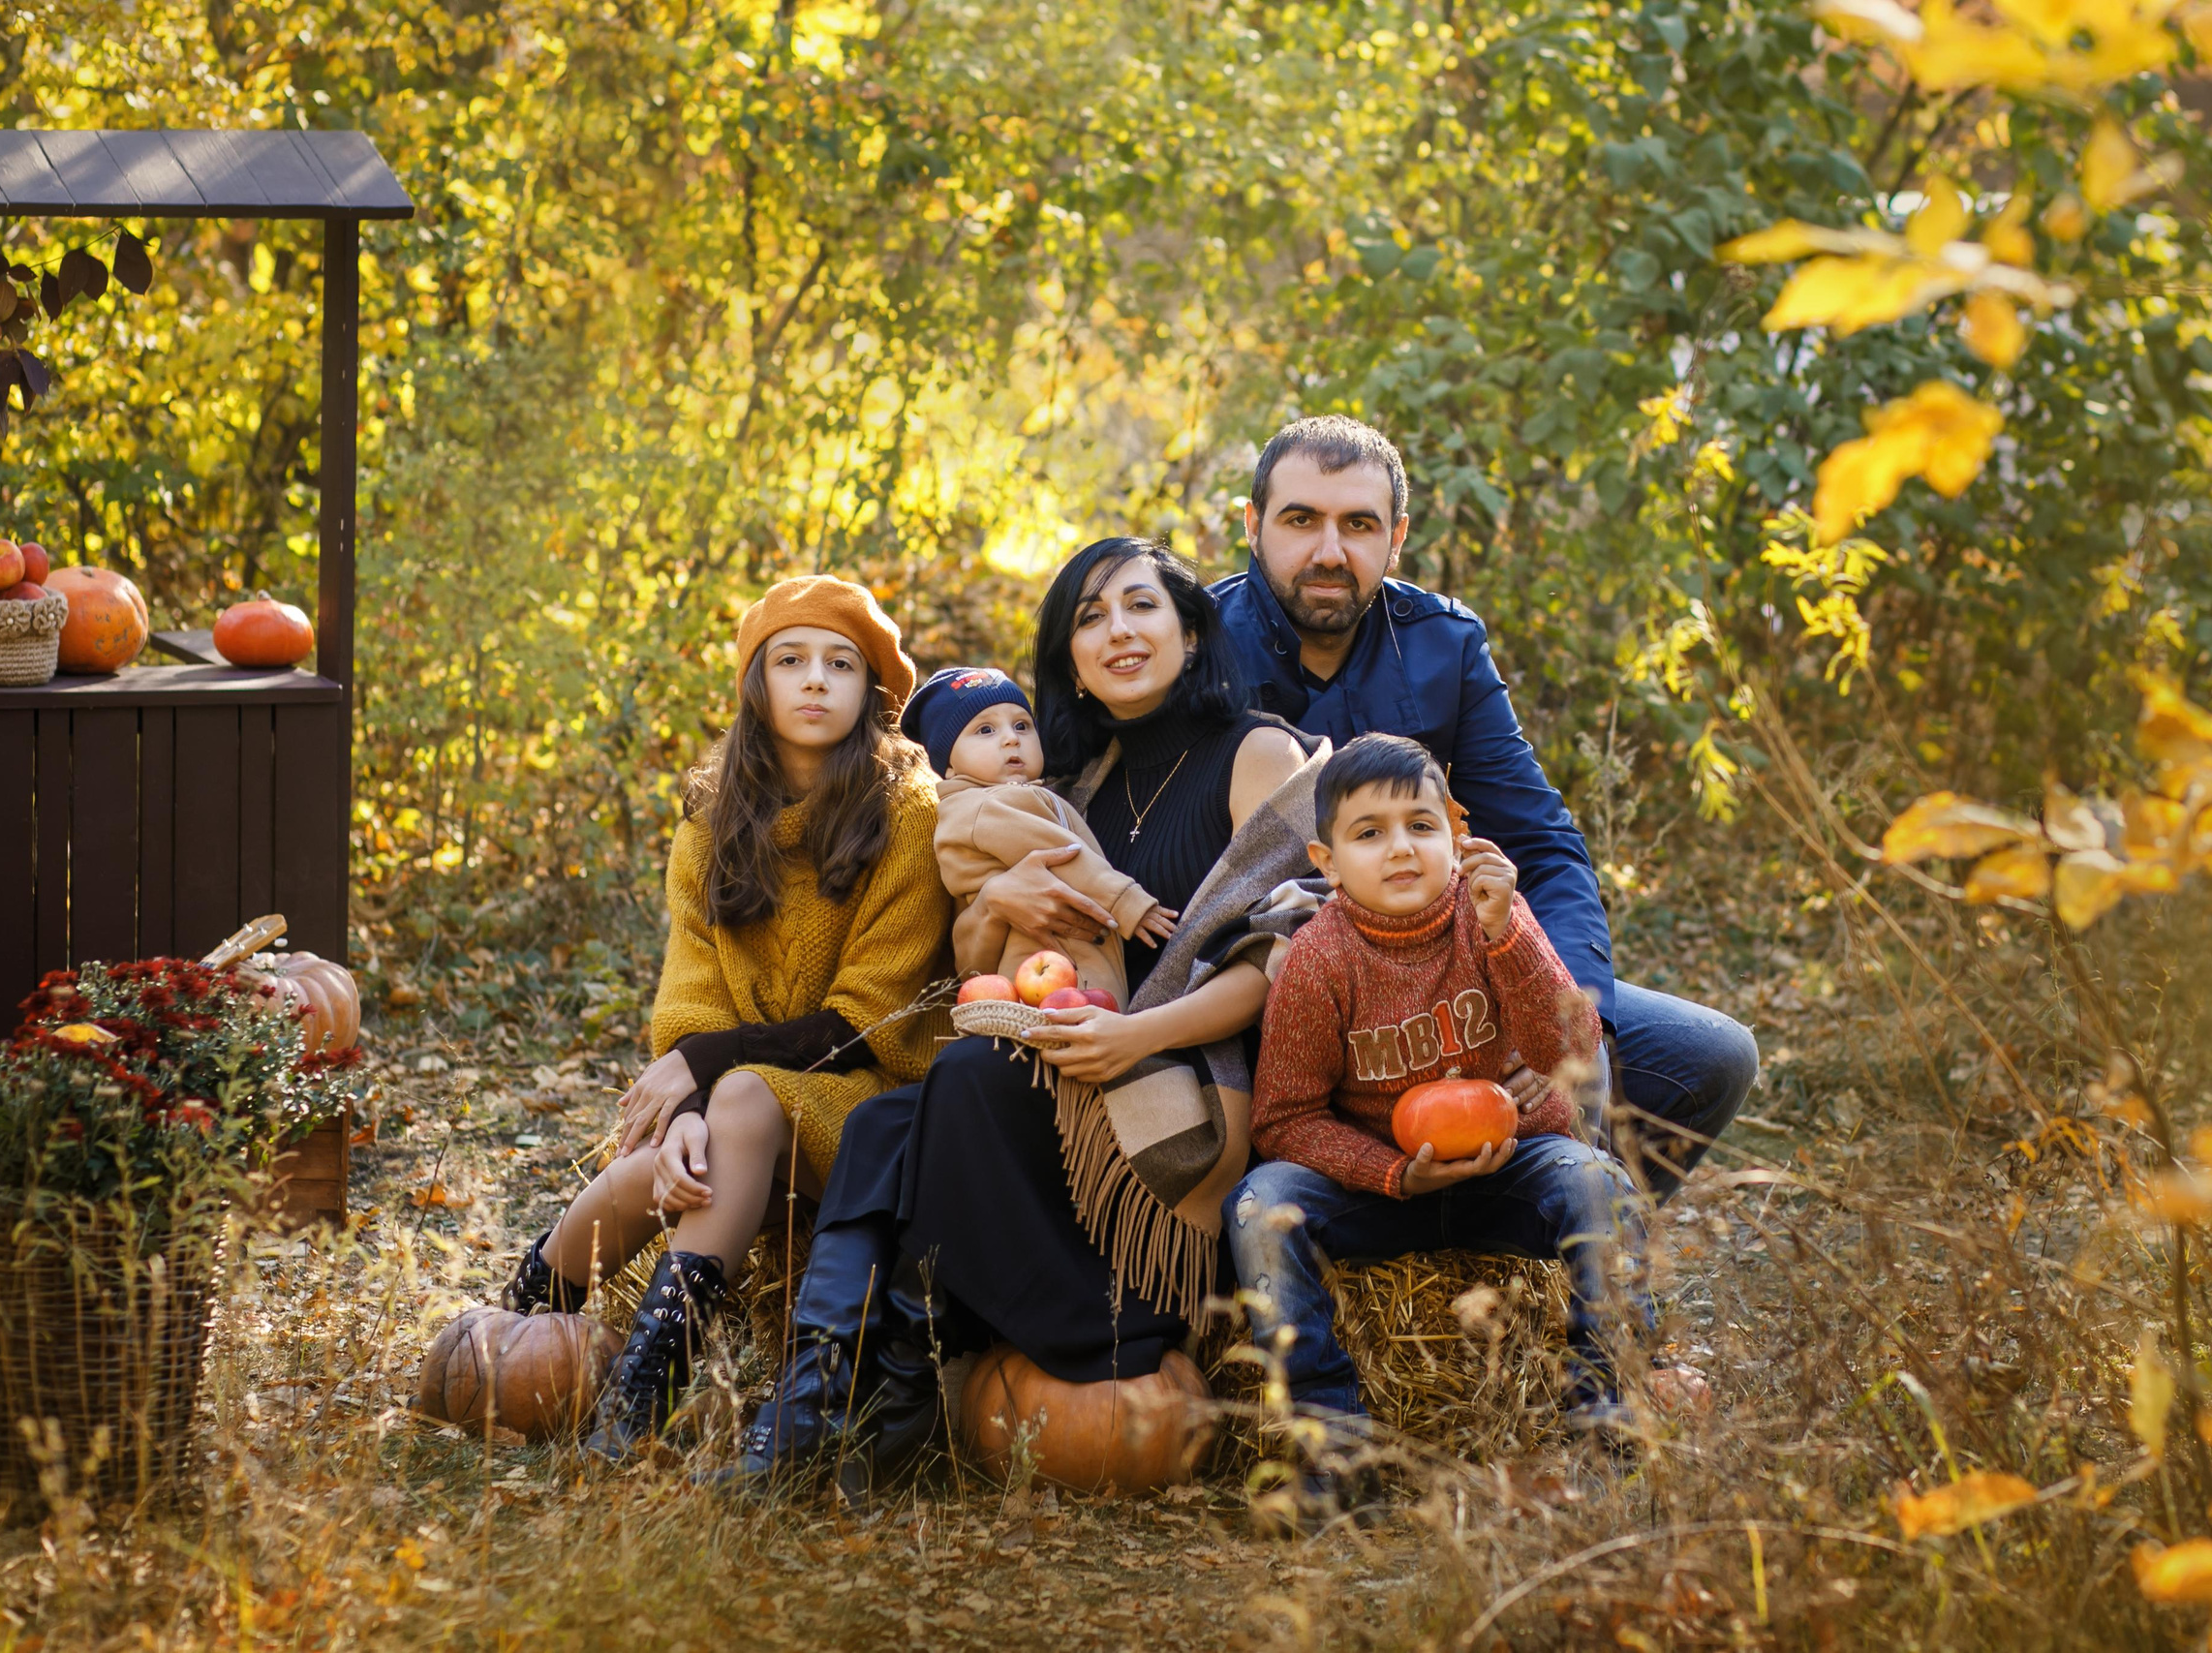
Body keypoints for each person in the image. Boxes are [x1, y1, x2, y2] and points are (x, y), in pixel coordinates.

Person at [710, 538, 1316, 1492]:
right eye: (1088, 617)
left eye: (1140, 607)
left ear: (1192, 633)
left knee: (965, 1076)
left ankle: (1069, 1335)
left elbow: (1286, 958)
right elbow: (977, 969)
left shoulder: (1258, 753)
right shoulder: (1064, 783)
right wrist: (998, 909)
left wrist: (1136, 1034)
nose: (1116, 630)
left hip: (1180, 1071)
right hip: (1058, 1063)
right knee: (878, 1120)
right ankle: (836, 1387)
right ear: (1067, 658)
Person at [1210, 414, 1756, 1198]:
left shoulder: (1444, 642)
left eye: (1358, 525)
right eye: (1301, 520)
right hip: (1289, 992)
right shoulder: (1196, 645)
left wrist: (1570, 1016)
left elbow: (1542, 839)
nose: (1330, 552)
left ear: (1395, 538)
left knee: (1710, 1054)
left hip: (1454, 971)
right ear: (1253, 525)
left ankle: (1556, 1255)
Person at [501, 575, 952, 1459]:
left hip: (875, 1106)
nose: (815, 680)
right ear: (758, 683)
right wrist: (687, 1111)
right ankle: (509, 1329)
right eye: (791, 661)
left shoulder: (908, 815)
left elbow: (868, 1018)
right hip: (749, 1102)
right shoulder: (711, 824)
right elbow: (691, 999)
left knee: (741, 1098)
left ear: (872, 692)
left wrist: (709, 1073)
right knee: (655, 1169)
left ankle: (639, 1404)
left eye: (840, 664)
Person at [1227, 733, 1650, 1469]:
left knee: (1598, 1184)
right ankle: (1331, 1437)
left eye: (1421, 826)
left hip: (1510, 1165)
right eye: (1369, 833)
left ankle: (1607, 1408)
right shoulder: (1319, 959)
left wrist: (1506, 931)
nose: (1401, 849)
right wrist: (1392, 1174)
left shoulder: (1489, 917)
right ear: (1325, 862)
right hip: (1380, 1188)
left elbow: (1574, 1054)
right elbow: (1282, 1119)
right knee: (1261, 1204)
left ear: (1458, 833)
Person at [905, 663, 1180, 1007]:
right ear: (949, 766)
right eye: (985, 730)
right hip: (1047, 960)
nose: (1011, 738)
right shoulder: (984, 808)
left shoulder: (1008, 797)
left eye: (1022, 725)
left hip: (1050, 965)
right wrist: (1127, 901)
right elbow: (1059, 854)